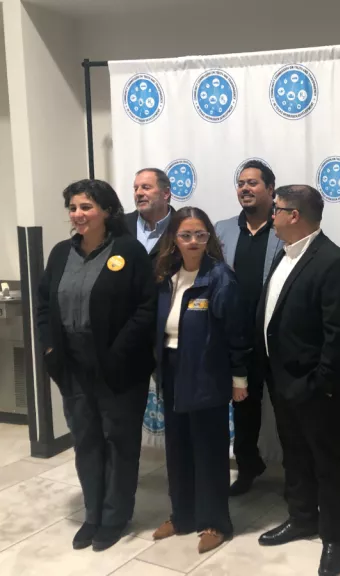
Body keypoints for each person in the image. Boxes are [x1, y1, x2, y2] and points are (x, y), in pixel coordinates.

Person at [37, 179, 156, 551]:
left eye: (86, 207)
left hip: (120, 370)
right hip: (73, 368)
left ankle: (115, 515)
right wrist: (51, 352)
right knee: (86, 442)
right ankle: (93, 514)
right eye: (73, 208)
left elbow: (145, 308)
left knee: (119, 443)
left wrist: (117, 353)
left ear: (106, 210)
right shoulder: (59, 253)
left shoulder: (129, 251)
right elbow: (43, 307)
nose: (78, 215)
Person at [254, 185, 340, 576]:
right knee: (293, 455)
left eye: (277, 210)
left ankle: (334, 538)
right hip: (281, 379)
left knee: (326, 462)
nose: (272, 216)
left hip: (316, 386)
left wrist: (322, 383)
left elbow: (338, 332)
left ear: (294, 215)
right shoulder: (284, 253)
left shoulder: (331, 260)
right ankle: (301, 519)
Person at [151, 207, 250, 554]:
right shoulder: (166, 275)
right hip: (173, 368)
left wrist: (239, 378)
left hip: (207, 372)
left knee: (208, 451)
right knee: (177, 448)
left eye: (200, 235)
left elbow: (237, 333)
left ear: (209, 238)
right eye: (185, 235)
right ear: (174, 239)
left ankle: (215, 522)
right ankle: (183, 515)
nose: (193, 242)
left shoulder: (220, 277)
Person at [214, 160, 283, 497]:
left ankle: (297, 475)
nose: (245, 188)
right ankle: (247, 466)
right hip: (237, 339)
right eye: (241, 183)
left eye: (253, 183)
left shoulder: (287, 227)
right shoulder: (222, 229)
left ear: (271, 190)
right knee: (243, 408)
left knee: (287, 409)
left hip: (278, 338)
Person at [124, 168, 175, 260]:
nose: (138, 193)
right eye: (136, 189)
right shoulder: (121, 225)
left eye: (146, 188)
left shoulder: (181, 226)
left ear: (166, 193)